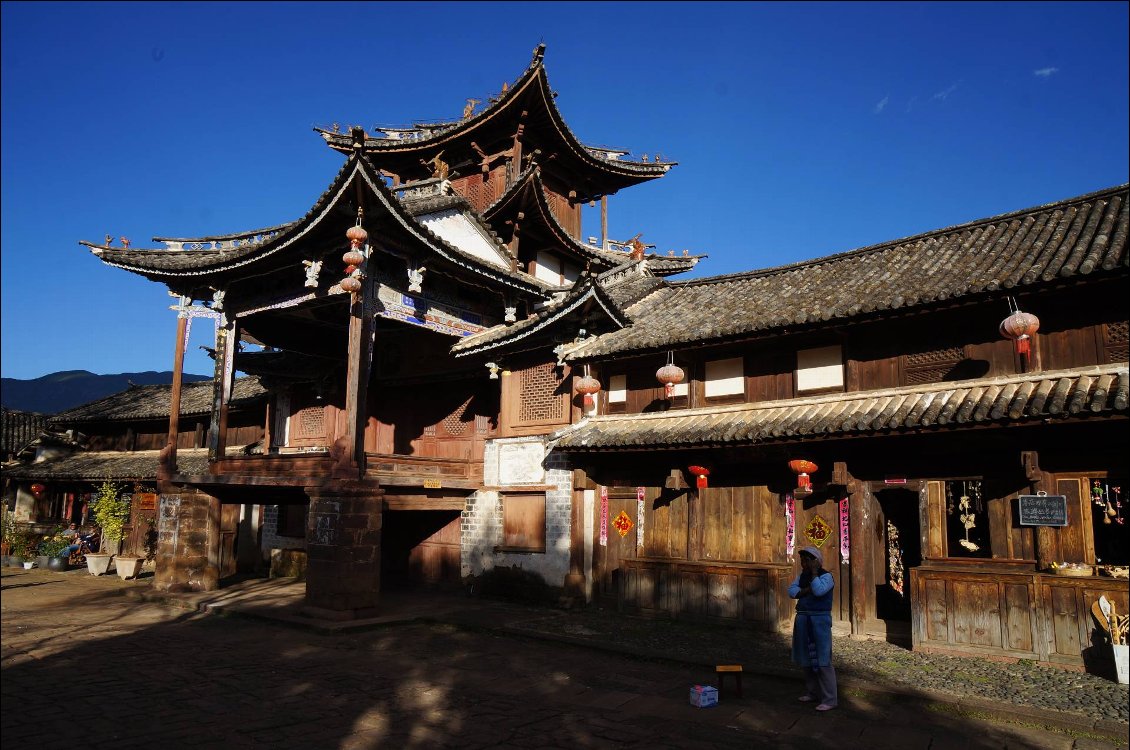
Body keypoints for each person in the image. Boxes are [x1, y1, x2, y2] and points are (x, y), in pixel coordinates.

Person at [788, 545, 838, 712]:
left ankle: (830, 699)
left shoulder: (827, 577)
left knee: (822, 659)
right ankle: (812, 692)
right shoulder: (802, 577)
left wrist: (815, 575)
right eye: (803, 560)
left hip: (819, 620)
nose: (804, 563)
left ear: (817, 562)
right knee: (806, 658)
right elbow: (792, 591)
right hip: (803, 618)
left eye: (808, 560)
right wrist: (806, 590)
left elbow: (818, 591)